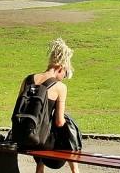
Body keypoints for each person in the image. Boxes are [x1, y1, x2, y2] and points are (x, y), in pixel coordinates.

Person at [20, 37, 82, 173]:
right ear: (61, 68)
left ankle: (39, 168)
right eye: (65, 74)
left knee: (40, 128)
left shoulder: (28, 80)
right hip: (41, 143)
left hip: (22, 138)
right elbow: (59, 122)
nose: (63, 77)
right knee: (69, 123)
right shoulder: (59, 87)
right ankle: (75, 171)